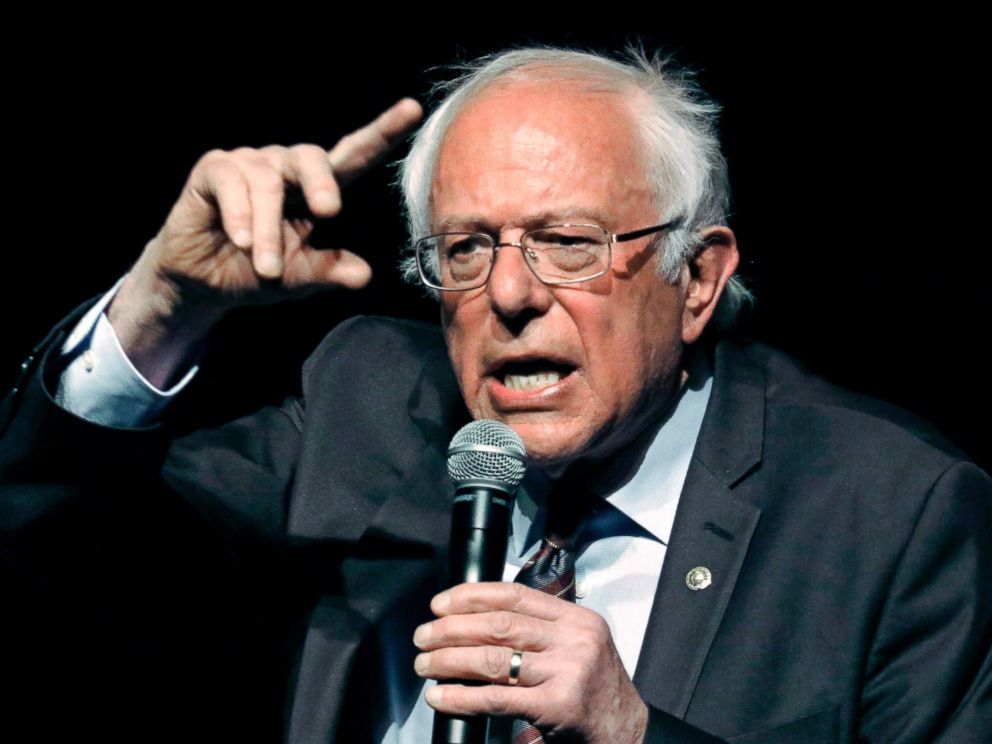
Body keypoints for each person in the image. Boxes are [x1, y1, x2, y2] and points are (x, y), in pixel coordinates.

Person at [1, 47, 989, 743]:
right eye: (465, 249)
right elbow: (58, 566)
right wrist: (161, 308)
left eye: (569, 243)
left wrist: (630, 733)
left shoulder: (889, 512)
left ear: (694, 279)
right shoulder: (370, 408)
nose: (509, 295)